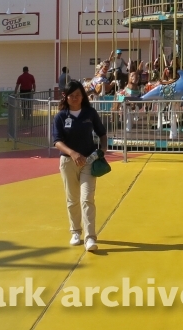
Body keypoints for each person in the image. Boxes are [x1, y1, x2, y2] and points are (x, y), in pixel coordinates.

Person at [52, 80, 106, 252]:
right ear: (66, 97)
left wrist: (101, 151)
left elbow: (102, 133)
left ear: (83, 96)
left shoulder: (90, 113)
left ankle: (90, 237)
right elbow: (57, 141)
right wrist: (72, 153)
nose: (75, 98)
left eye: (78, 95)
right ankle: (75, 231)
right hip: (68, 162)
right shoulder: (61, 116)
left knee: (87, 198)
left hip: (89, 161)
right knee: (72, 199)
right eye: (71, 95)